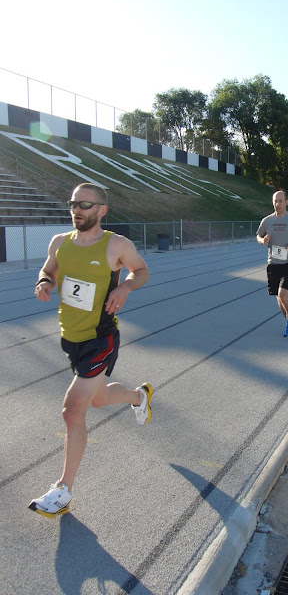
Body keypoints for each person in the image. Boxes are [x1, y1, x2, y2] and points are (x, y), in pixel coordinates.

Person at [28, 183, 152, 518]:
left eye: (85, 205)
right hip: (71, 338)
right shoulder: (60, 242)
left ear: (102, 210)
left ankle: (62, 491)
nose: (77, 210)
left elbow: (141, 271)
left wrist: (125, 287)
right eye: (73, 204)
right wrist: (44, 282)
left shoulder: (116, 244)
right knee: (98, 399)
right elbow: (48, 270)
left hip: (101, 338)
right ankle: (138, 397)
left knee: (72, 411)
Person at [256, 190, 288, 337]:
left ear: (286, 202)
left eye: (280, 201)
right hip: (273, 264)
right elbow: (258, 236)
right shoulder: (267, 221)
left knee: (283, 294)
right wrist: (263, 240)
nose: (277, 204)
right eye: (275, 201)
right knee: (279, 297)